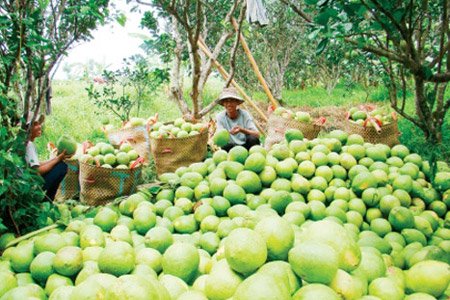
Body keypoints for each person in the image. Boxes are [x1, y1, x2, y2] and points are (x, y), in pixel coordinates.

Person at [25, 115, 69, 201]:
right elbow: (36, 171)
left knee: (58, 164)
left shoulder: (24, 142)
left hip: (26, 182)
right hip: (29, 185)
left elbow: (36, 165)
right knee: (62, 167)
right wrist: (57, 160)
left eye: (39, 124)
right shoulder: (29, 145)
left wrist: (56, 158)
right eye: (35, 124)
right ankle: (46, 201)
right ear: (27, 129)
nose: (39, 127)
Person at [215, 87, 260, 151]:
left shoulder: (245, 114)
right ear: (223, 103)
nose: (229, 104)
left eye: (232, 101)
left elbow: (257, 135)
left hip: (245, 146)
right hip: (230, 148)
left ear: (237, 102)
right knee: (225, 146)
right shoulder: (220, 117)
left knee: (253, 139)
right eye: (226, 101)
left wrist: (242, 130)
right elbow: (220, 137)